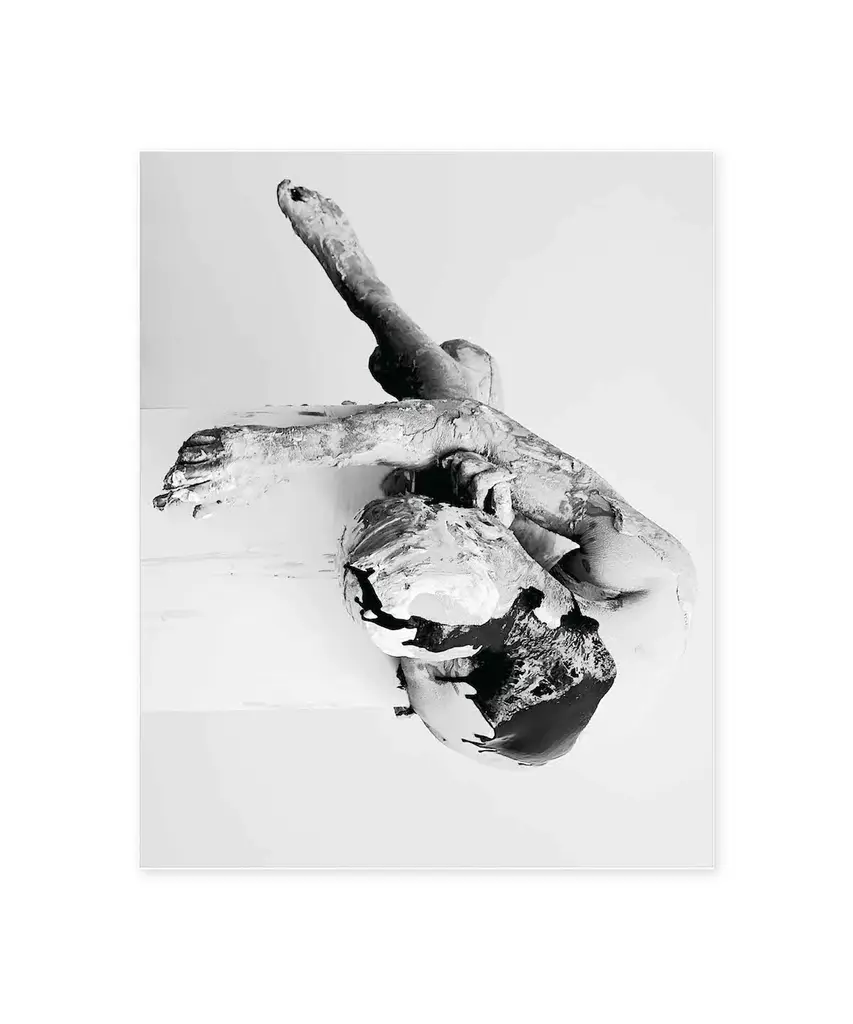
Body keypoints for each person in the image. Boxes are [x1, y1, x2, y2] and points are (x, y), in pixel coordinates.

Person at [154, 180, 696, 769]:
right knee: (456, 393)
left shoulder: (487, 725)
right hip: (564, 569)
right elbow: (468, 429)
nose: (409, 662)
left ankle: (444, 397)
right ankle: (368, 291)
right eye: (427, 665)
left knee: (458, 379)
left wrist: (469, 520)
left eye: (410, 669)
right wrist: (276, 454)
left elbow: (434, 667)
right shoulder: (641, 570)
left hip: (519, 630)